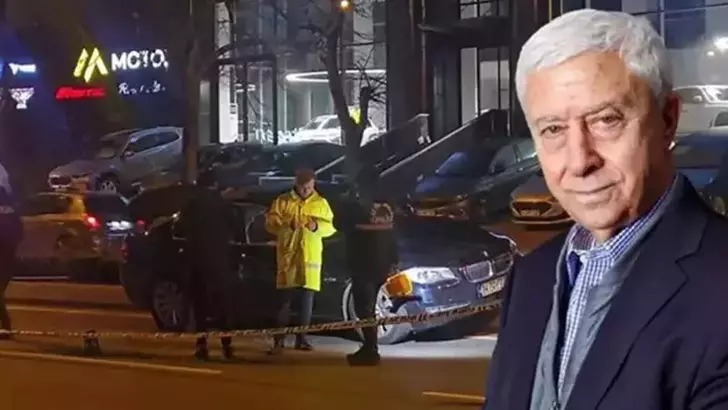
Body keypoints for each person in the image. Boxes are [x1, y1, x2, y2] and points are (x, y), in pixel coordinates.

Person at [485, 9, 728, 410]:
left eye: (606, 120)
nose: (579, 160)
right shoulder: (531, 278)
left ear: (668, 120)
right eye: (553, 129)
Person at [265, 168, 336, 354]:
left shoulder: (321, 203)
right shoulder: (283, 201)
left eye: (310, 187)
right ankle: (279, 341)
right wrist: (287, 224)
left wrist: (316, 226)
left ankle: (302, 339)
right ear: (296, 184)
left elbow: (331, 227)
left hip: (310, 262)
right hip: (288, 261)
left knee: (306, 305)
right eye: (304, 187)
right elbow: (270, 223)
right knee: (284, 304)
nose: (307, 191)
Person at [336, 166, 398, 366]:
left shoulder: (356, 205)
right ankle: (370, 347)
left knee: (364, 307)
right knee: (369, 307)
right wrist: (394, 259)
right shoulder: (388, 204)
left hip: (363, 263)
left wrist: (346, 200)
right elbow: (393, 234)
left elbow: (339, 224)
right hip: (382, 263)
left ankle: (370, 349)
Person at [176, 172, 237, 361]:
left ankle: (202, 345)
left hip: (197, 261)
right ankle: (227, 345)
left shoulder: (192, 204)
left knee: (199, 305)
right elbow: (236, 228)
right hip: (219, 262)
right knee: (222, 305)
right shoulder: (224, 204)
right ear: (215, 184)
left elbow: (179, 228)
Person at [0, 185, 22, 338]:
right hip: (8, 257)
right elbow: (20, 233)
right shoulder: (13, 212)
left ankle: (6, 327)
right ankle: (6, 327)